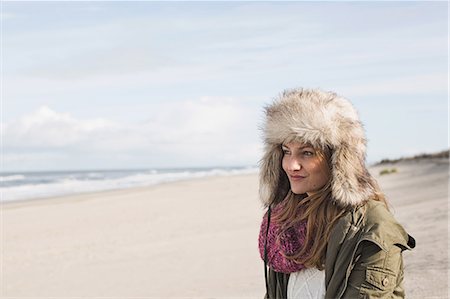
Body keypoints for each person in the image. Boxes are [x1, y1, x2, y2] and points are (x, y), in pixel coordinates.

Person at [258, 88, 415, 299]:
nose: (291, 165)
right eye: (286, 151)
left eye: (307, 153)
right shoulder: (285, 224)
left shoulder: (371, 227)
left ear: (338, 160)